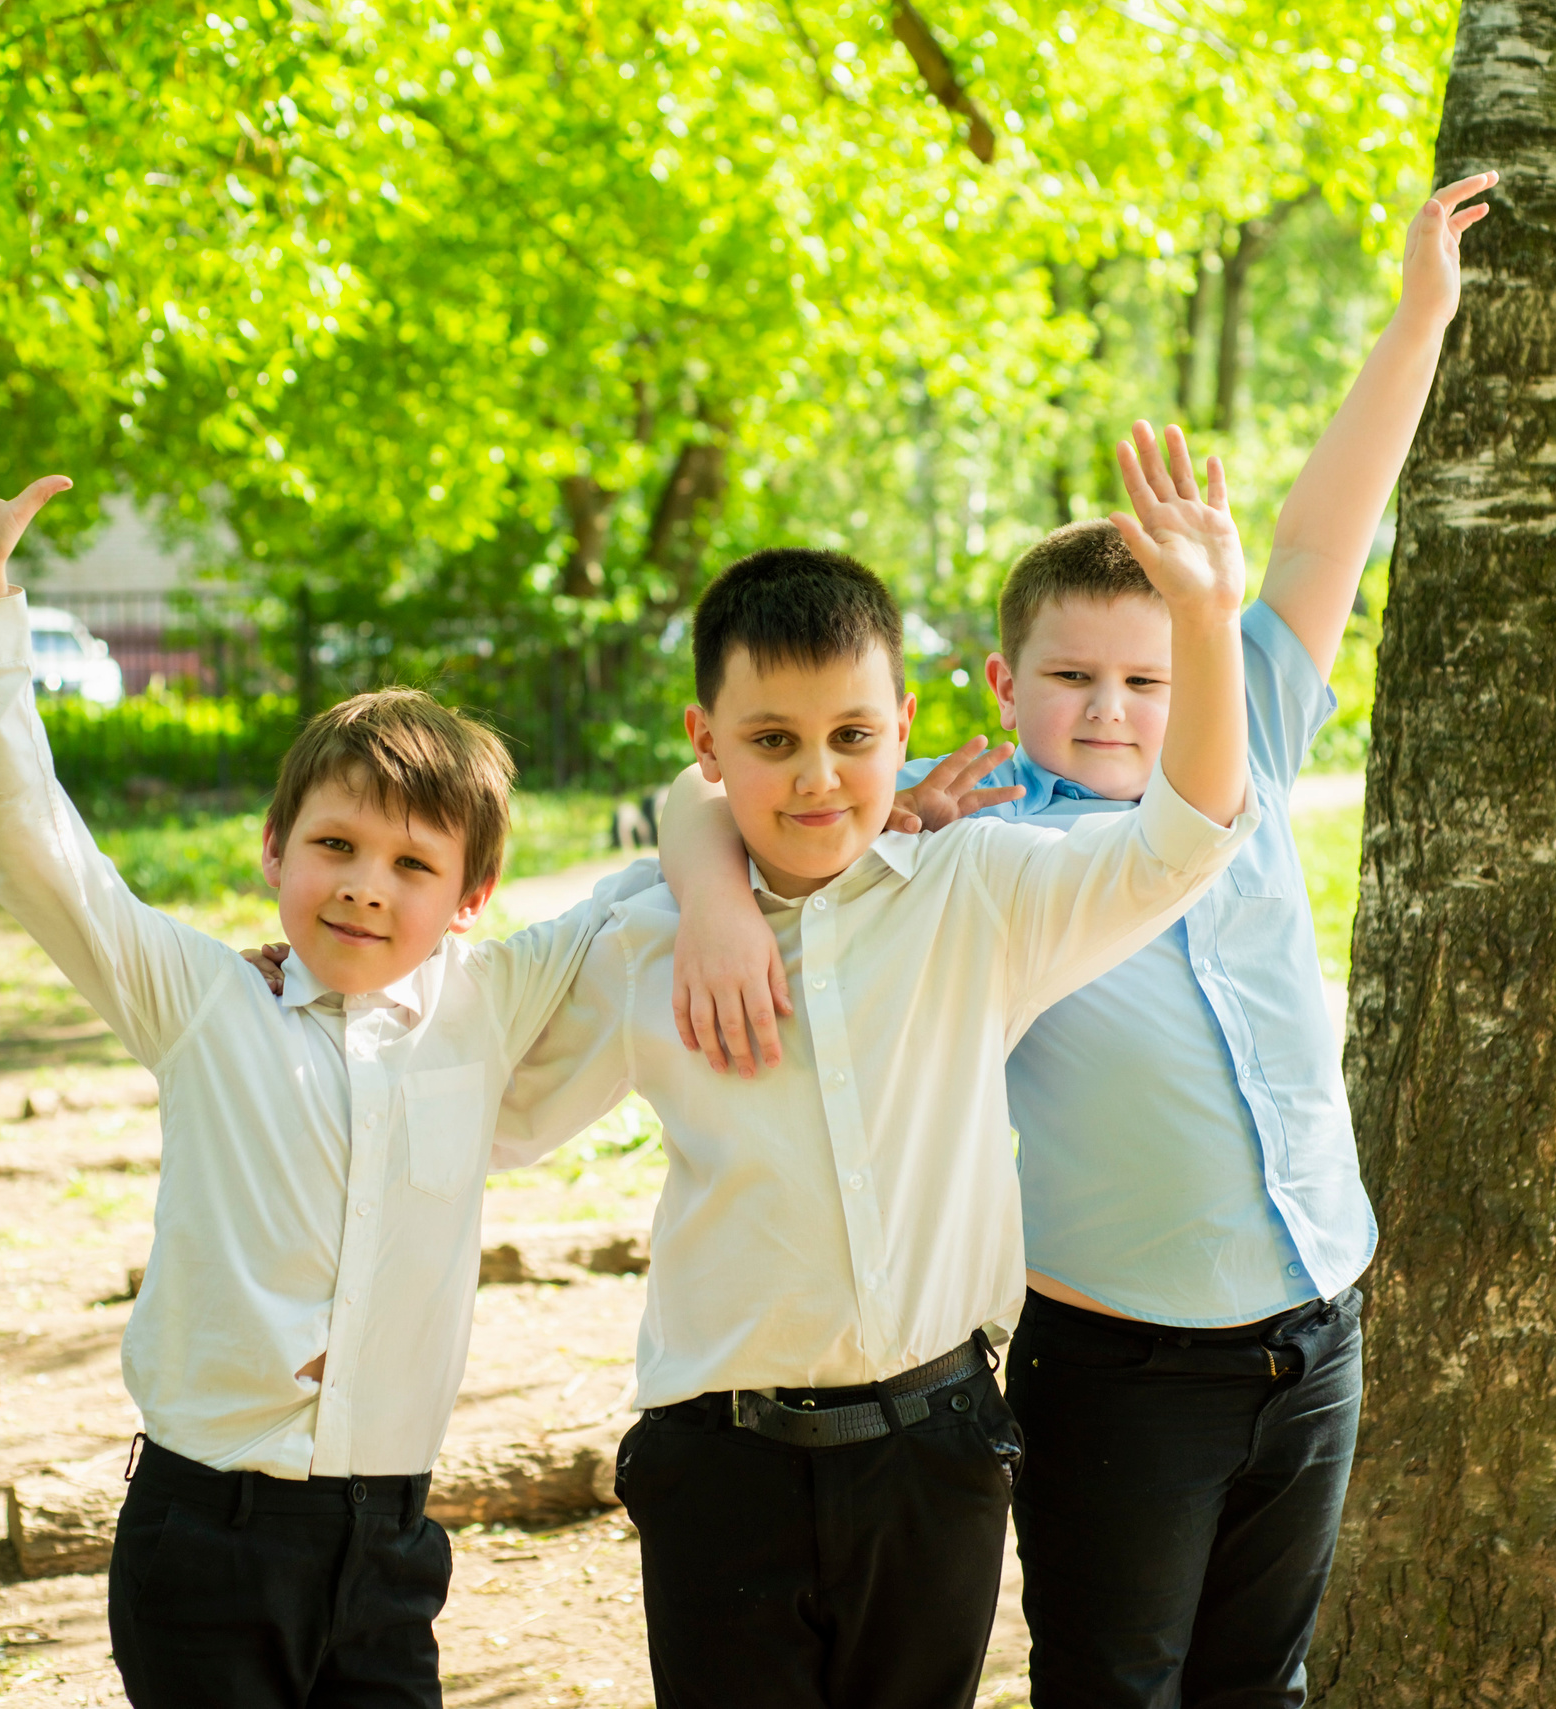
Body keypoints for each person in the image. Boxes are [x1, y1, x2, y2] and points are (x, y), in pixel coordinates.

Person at [665, 173, 1496, 1708]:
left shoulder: (1239, 727)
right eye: (1073, 677)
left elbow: (1328, 532)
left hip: (1315, 1324)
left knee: (1265, 1680)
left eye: (1150, 672)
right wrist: (714, 879)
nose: (1114, 707)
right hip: (1121, 1364)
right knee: (1114, 1682)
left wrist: (1419, 314)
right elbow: (724, 795)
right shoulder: (957, 835)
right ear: (1001, 679)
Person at [468, 420, 1259, 1709]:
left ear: (905, 724)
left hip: (935, 1453)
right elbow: (481, 1105)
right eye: (770, 741)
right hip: (720, 1463)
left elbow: (1183, 843)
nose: (819, 775)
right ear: (705, 745)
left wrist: (1208, 618)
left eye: (852, 735)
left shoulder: (976, 894)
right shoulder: (643, 939)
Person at [0, 420, 659, 1709]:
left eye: (414, 865)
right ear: (275, 850)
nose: (365, 887)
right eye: (336, 846)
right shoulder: (195, 1001)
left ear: (472, 895)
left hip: (394, 1544)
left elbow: (652, 892)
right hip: (204, 1544)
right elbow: (32, 844)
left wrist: (872, 799)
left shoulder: (489, 1002)